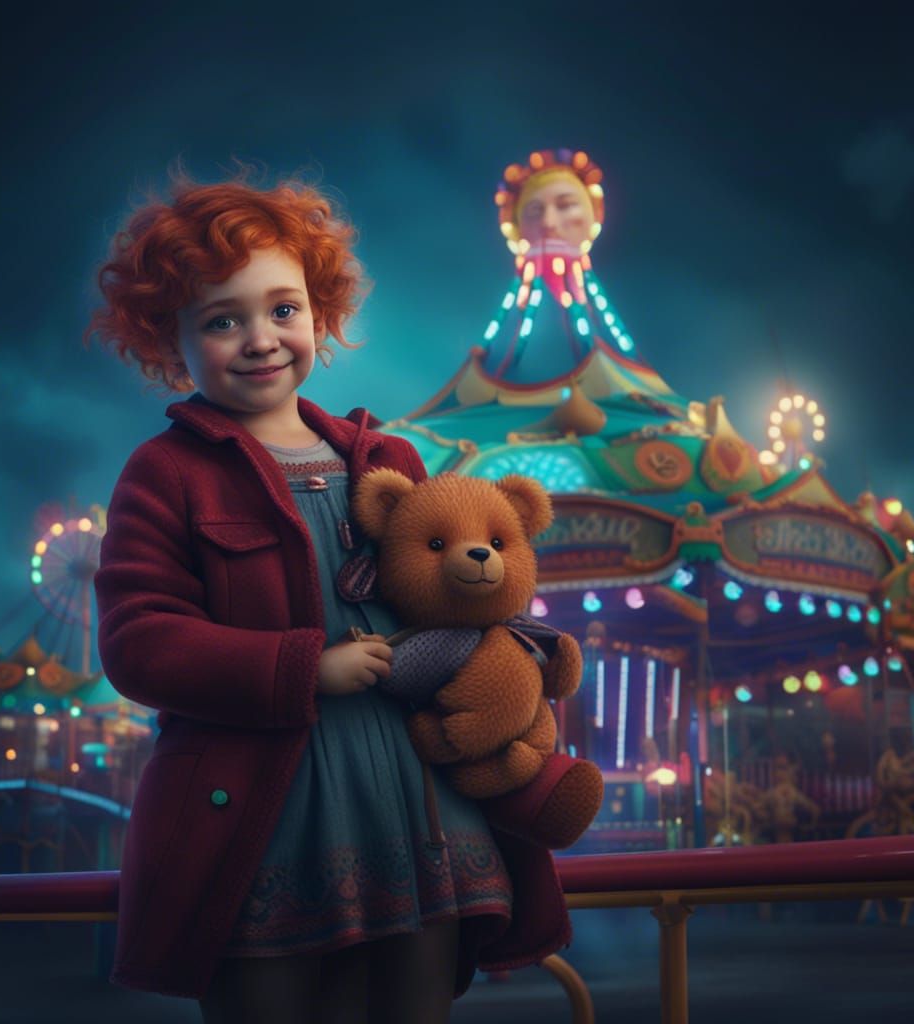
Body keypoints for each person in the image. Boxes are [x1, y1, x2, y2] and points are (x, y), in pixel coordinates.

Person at [87, 173, 570, 1023]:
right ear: (173, 338)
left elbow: (457, 612)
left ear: (320, 311)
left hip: (420, 810)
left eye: (283, 309)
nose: (261, 338)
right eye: (221, 319)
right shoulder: (165, 474)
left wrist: (516, 668)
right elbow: (138, 641)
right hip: (272, 820)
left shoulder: (386, 459)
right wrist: (303, 667)